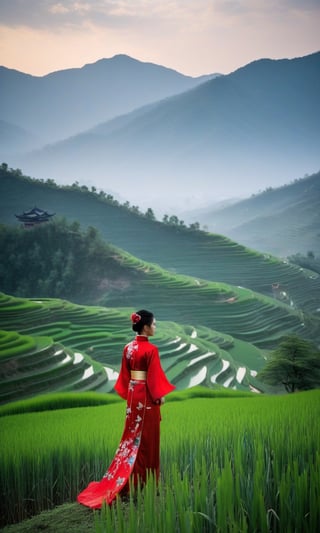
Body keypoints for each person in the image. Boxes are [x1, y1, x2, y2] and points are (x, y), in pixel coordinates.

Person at [77, 309, 175, 509]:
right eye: (154, 324)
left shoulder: (127, 348)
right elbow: (154, 379)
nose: (155, 327)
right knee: (147, 439)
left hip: (133, 396)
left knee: (132, 439)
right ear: (146, 327)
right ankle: (144, 483)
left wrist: (135, 392)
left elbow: (124, 377)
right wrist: (159, 397)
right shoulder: (151, 350)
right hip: (147, 397)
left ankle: (130, 482)